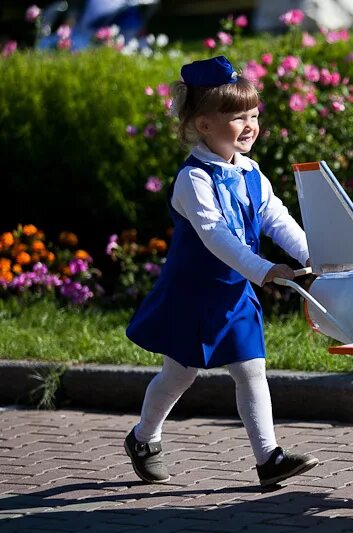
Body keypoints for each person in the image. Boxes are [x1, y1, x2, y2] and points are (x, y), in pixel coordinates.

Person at [124, 55, 317, 487]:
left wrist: (317, 256)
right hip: (194, 293)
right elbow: (217, 238)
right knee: (179, 373)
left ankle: (269, 458)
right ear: (203, 124)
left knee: (251, 369)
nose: (249, 125)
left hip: (235, 291)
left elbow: (276, 219)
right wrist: (266, 270)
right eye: (235, 117)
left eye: (253, 115)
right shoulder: (193, 179)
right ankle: (143, 437)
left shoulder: (251, 172)